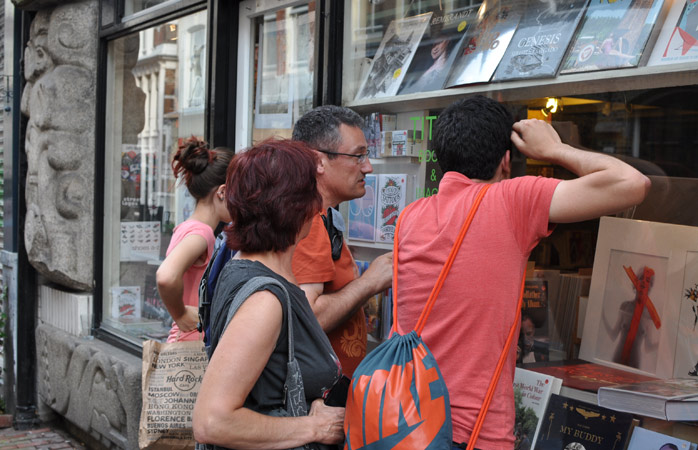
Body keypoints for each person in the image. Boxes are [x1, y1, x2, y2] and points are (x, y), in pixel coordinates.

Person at [394, 95, 651, 449]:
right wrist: (556, 150)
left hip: (405, 418)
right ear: (506, 160)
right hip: (472, 430)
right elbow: (632, 184)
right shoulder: (508, 199)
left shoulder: (410, 216)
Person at [193, 139, 345, 449]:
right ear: (295, 207)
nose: (319, 206)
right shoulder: (265, 301)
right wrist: (313, 427)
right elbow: (212, 421)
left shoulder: (242, 266)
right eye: (313, 193)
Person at [291, 105, 393, 377]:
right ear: (318, 162)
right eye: (357, 156)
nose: (368, 167)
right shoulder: (309, 222)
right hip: (319, 403)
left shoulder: (320, 216)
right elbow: (309, 317)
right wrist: (371, 282)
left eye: (366, 156)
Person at [156, 137, 234, 342]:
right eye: (240, 192)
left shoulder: (187, 227)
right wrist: (180, 314)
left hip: (186, 344)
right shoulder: (202, 233)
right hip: (191, 347)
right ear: (223, 192)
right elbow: (165, 276)